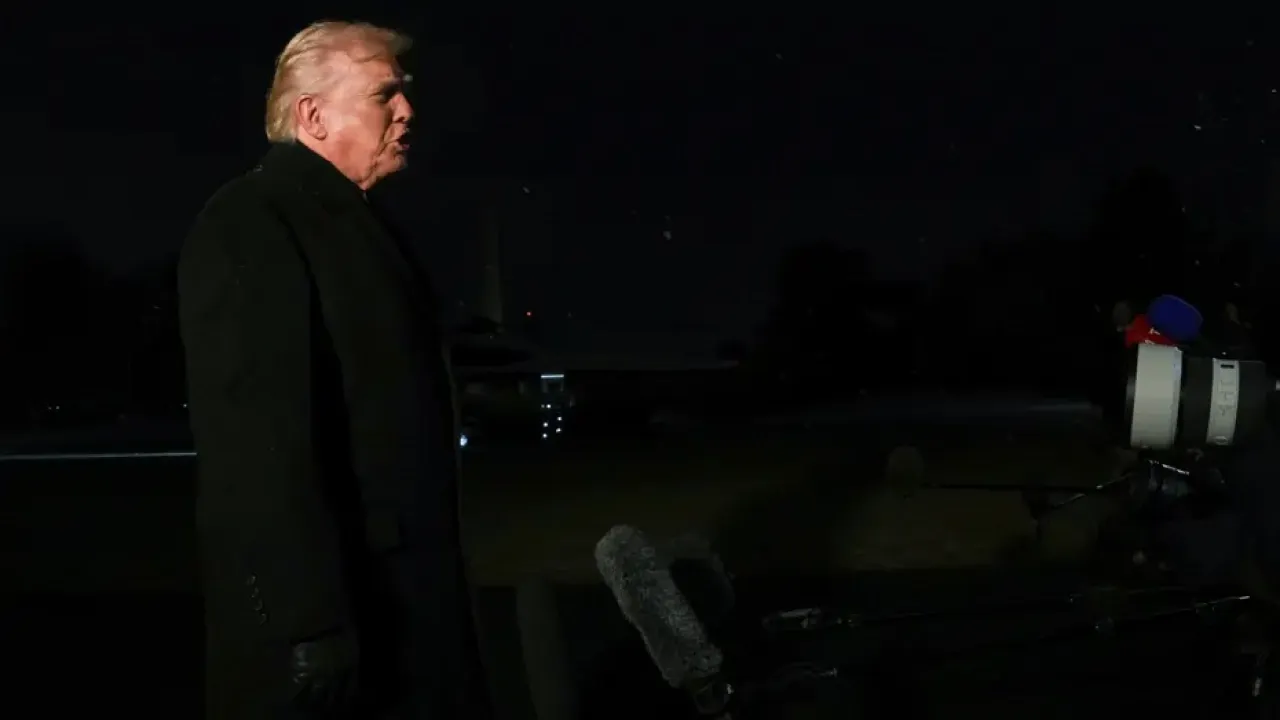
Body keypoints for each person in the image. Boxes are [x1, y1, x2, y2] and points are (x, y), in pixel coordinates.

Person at [178, 21, 490, 719]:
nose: (406, 111)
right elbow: (256, 439)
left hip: (398, 610)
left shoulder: (355, 224)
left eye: (404, 93)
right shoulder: (252, 222)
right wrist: (307, 622)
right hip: (342, 633)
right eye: (384, 95)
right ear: (312, 116)